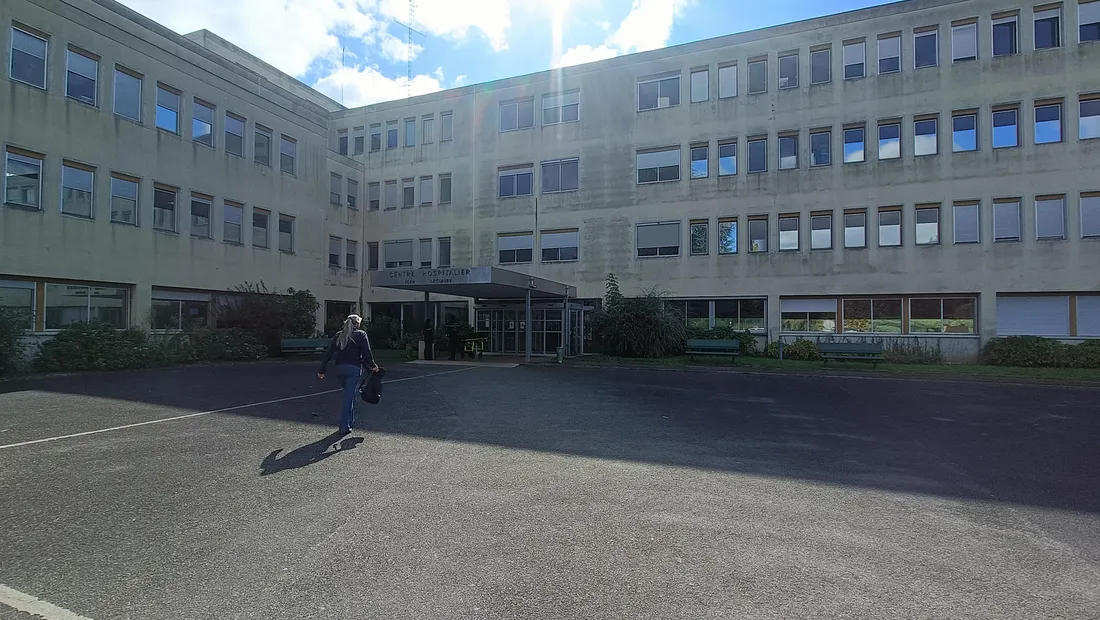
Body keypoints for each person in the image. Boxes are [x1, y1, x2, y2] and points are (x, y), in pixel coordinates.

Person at [317, 314, 379, 435]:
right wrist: (373, 366)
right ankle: (344, 426)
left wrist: (322, 370)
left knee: (350, 394)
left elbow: (329, 353)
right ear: (357, 324)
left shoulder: (339, 335)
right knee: (348, 397)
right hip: (353, 369)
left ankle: (351, 419)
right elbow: (367, 353)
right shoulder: (361, 334)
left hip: (340, 369)